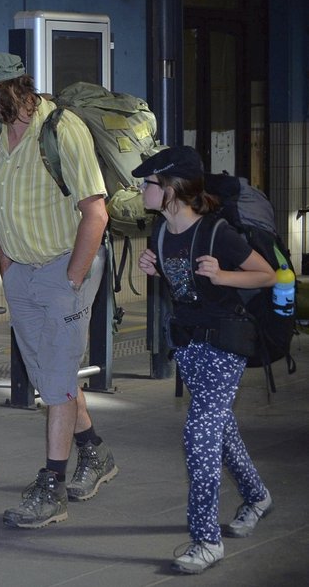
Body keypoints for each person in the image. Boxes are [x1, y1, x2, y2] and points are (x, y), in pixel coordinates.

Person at [0, 52, 117, 528]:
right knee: (51, 374)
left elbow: (96, 213)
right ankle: (95, 453)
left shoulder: (62, 130)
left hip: (65, 267)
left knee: (59, 382)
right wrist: (8, 271)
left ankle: (52, 486)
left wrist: (72, 278)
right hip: (22, 272)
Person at [135, 146, 275, 574]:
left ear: (172, 189)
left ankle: (205, 540)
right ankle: (257, 496)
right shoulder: (161, 233)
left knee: (199, 435)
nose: (142, 189)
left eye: (149, 183)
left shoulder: (217, 233)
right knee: (220, 429)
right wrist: (159, 271)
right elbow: (184, 283)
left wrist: (224, 275)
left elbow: (267, 273)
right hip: (190, 344)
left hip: (223, 342)